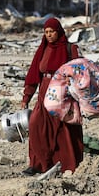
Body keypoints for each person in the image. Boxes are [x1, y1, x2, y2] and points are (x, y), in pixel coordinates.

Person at [21, 17, 82, 175]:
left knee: (63, 131)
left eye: (52, 32)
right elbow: (34, 74)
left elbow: (80, 71)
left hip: (63, 96)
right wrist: (26, 97)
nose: (49, 35)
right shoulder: (43, 49)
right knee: (35, 125)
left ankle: (66, 165)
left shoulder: (70, 48)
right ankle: (37, 163)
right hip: (44, 95)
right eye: (46, 32)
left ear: (58, 32)